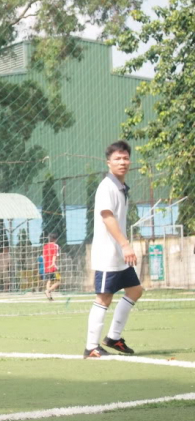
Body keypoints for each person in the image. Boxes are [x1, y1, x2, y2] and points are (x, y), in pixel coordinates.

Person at [84, 140, 144, 359]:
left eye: (126, 158)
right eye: (117, 158)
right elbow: (107, 217)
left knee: (135, 290)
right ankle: (91, 346)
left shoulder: (121, 187)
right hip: (108, 254)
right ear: (108, 162)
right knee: (104, 298)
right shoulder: (106, 186)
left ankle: (113, 338)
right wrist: (125, 244)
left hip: (119, 254)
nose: (123, 162)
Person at [42, 233, 60, 300]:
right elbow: (55, 255)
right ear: (55, 239)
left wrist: (45, 265)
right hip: (53, 266)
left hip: (46, 266)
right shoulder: (55, 246)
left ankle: (49, 296)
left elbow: (44, 257)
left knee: (49, 281)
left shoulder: (45, 246)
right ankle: (48, 291)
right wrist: (53, 263)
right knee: (59, 281)